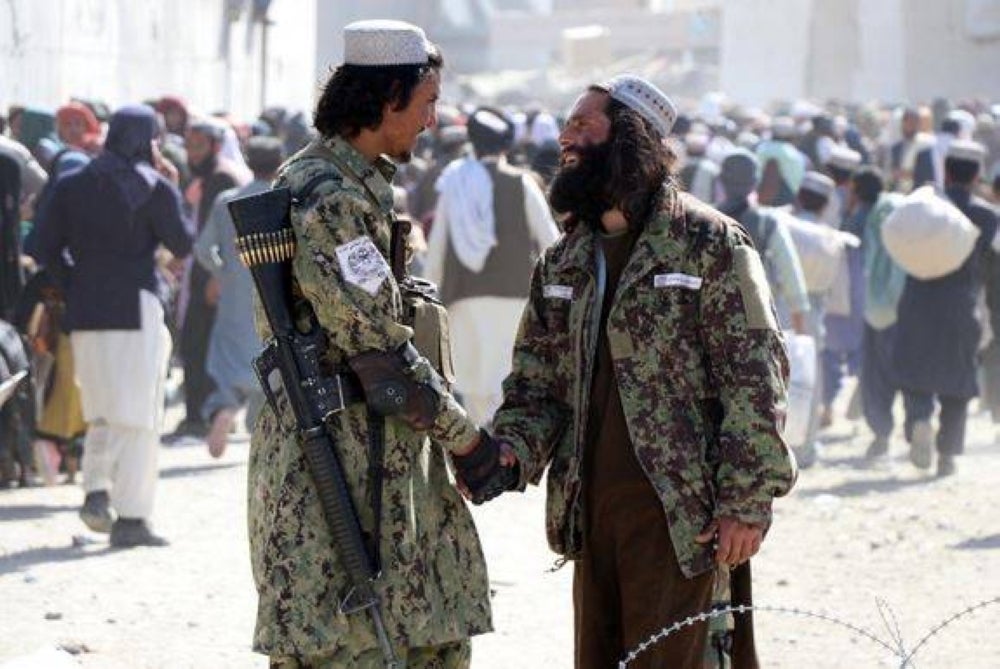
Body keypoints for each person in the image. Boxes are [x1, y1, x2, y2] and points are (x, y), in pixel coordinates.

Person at [487, 75, 796, 669]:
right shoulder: (564, 258)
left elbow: (755, 376)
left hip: (683, 523)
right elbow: (535, 384)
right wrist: (508, 452)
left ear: (628, 138)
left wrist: (746, 499)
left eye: (583, 125)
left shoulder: (707, 243)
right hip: (590, 515)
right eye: (566, 124)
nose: (565, 138)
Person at [249, 20, 507, 668]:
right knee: (346, 645)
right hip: (336, 465)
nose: (432, 121)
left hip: (382, 454)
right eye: (427, 104)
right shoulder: (329, 198)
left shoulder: (360, 187)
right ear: (388, 97)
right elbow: (380, 350)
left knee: (424, 636)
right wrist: (468, 441)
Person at [33, 104, 193, 547]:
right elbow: (182, 242)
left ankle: (97, 493)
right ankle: (132, 518)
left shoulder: (71, 183)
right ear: (147, 140)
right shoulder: (154, 186)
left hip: (85, 310)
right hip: (135, 305)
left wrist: (73, 283)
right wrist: (171, 184)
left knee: (103, 408)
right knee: (138, 416)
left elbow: (40, 245)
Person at [423, 106, 559, 424]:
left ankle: (485, 457)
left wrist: (431, 295)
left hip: (463, 297)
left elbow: (438, 247)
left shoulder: (455, 182)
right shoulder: (523, 184)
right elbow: (551, 242)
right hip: (515, 297)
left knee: (474, 389)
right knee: (504, 381)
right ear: (506, 145)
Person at [893, 140, 999, 477]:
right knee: (958, 379)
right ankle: (947, 454)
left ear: (947, 171)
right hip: (962, 304)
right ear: (977, 176)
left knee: (915, 371)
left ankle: (920, 419)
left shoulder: (925, 206)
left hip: (917, 300)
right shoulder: (988, 216)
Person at [193, 137, 282, 457]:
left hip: (234, 293)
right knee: (272, 360)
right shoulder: (284, 200)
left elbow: (203, 250)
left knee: (227, 358)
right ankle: (260, 428)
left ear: (248, 161)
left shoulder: (226, 200)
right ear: (280, 163)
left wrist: (221, 273)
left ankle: (225, 408)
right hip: (275, 296)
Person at [166, 118, 247, 442]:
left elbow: (222, 235)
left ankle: (203, 416)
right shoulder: (209, 176)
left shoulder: (221, 178)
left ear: (215, 146)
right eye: (188, 146)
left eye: (198, 146)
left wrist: (216, 277)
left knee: (199, 347)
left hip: (210, 280)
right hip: (205, 276)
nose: (190, 153)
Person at [716, 148, 809, 334]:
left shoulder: (702, 219)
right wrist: (800, 330)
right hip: (757, 324)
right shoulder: (769, 223)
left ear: (721, 181)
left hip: (712, 321)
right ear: (755, 183)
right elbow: (791, 274)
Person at [855, 167, 906, 457]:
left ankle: (882, 434)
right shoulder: (895, 209)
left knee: (877, 373)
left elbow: (873, 264)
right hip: (902, 308)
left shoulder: (872, 216)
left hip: (877, 307)